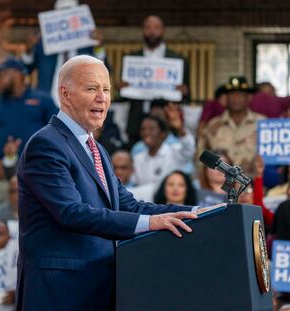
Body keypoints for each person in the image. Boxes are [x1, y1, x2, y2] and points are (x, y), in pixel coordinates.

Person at [16, 55, 205, 311]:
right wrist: (152, 223)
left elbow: (129, 205)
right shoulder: (47, 144)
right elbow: (71, 213)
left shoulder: (96, 149)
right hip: (61, 292)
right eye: (92, 88)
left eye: (106, 89)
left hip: (98, 288)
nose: (102, 98)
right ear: (65, 94)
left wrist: (194, 213)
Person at [0, 57, 58, 181]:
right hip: (3, 174)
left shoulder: (43, 100)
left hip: (39, 172)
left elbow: (59, 130)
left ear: (18, 75)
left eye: (2, 74)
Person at [21, 0, 107, 105]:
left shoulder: (87, 45)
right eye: (62, 13)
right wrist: (28, 50)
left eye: (70, 13)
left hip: (80, 106)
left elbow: (104, 69)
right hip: (49, 107)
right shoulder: (43, 46)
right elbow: (25, 69)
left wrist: (99, 47)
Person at [122, 15, 190, 147]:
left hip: (166, 121)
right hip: (136, 122)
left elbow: (186, 96)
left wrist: (184, 91)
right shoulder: (131, 59)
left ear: (163, 30)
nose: (152, 31)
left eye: (156, 28)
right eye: (148, 28)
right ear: (142, 30)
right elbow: (122, 97)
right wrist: (121, 88)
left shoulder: (178, 60)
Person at [197, 76, 265, 175]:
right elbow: (201, 156)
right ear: (226, 98)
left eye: (240, 95)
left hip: (253, 182)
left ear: (248, 97)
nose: (236, 99)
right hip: (221, 184)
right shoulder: (213, 125)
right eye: (232, 95)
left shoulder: (262, 123)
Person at [132, 114, 195, 187]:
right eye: (143, 129)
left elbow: (189, 149)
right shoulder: (138, 158)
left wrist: (180, 130)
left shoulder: (174, 152)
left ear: (163, 134)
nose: (146, 133)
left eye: (151, 129)